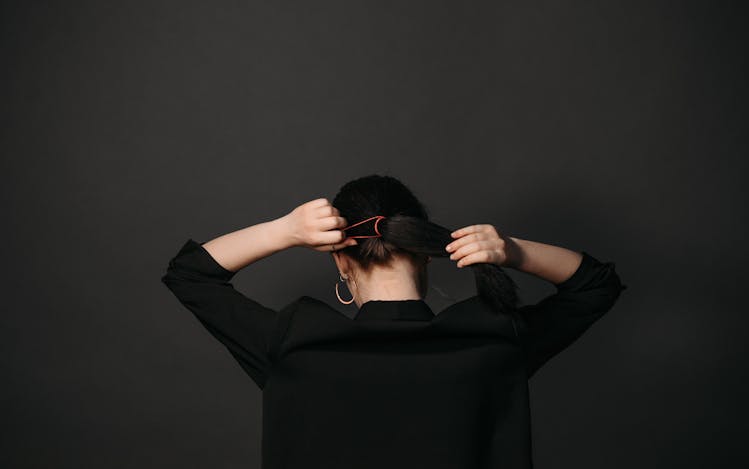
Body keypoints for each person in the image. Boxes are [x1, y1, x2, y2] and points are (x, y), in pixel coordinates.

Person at [161, 174, 627, 469]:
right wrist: (511, 251)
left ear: (342, 263)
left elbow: (191, 275)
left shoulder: (295, 345)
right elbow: (595, 285)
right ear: (425, 258)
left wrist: (287, 231)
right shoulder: (492, 339)